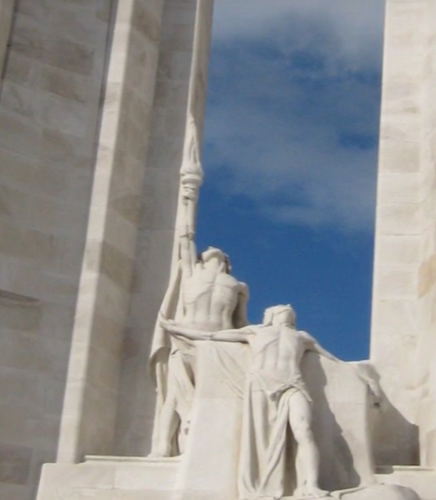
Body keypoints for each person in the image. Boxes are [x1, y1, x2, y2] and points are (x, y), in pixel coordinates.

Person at [162, 305, 353, 499]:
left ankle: (311, 484)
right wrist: (177, 330)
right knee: (260, 434)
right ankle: (265, 483)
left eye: (289, 312)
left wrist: (361, 375)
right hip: (261, 384)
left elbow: (332, 359)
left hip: (292, 384)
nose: (287, 311)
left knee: (303, 430)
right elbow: (212, 336)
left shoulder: (302, 337)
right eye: (281, 311)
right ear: (270, 315)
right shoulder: (254, 331)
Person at [148, 114, 249, 457]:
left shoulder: (235, 285)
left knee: (212, 401)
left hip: (219, 344)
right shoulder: (193, 272)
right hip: (184, 337)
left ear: (223, 260)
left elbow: (242, 323)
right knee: (174, 398)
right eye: (207, 252)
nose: (209, 251)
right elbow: (185, 239)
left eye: (214, 253)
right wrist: (188, 195)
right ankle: (161, 449)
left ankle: (207, 452)